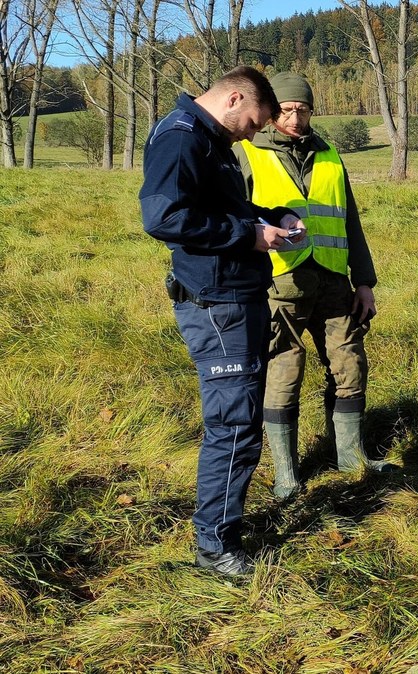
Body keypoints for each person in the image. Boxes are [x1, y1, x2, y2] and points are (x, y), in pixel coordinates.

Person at [141, 66, 298, 577]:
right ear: (234, 98)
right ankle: (214, 546)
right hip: (216, 305)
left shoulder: (209, 140)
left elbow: (224, 207)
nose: (253, 133)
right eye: (253, 122)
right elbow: (164, 218)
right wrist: (249, 238)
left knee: (241, 417)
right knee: (233, 423)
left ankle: (223, 524)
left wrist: (272, 216)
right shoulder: (182, 139)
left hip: (236, 297)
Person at [232, 72, 392, 502]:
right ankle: (287, 473)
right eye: (286, 109)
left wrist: (365, 282)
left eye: (302, 109)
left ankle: (350, 458)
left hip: (335, 282)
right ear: (270, 113)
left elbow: (350, 222)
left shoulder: (331, 156)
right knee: (284, 373)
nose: (294, 117)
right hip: (278, 285)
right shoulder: (246, 153)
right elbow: (236, 218)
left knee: (350, 366)